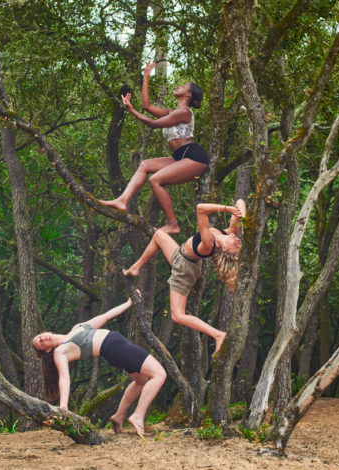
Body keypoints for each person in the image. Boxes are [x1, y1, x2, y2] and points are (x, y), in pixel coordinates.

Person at [123, 199, 246, 355]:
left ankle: (218, 334)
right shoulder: (229, 234)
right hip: (181, 254)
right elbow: (240, 201)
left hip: (184, 268)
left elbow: (201, 209)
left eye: (235, 246)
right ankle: (135, 268)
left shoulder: (210, 243)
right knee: (159, 235)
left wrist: (226, 208)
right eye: (238, 243)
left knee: (177, 315)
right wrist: (244, 219)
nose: (237, 241)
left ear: (224, 251)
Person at [33, 294, 166, 437]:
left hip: (118, 347)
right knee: (159, 374)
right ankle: (138, 416)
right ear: (47, 349)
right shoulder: (60, 351)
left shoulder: (76, 328)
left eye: (40, 336)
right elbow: (64, 377)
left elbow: (106, 316)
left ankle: (118, 416)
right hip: (115, 349)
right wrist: (63, 405)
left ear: (46, 332)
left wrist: (129, 302)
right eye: (41, 343)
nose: (42, 339)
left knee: (140, 381)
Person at [101, 62, 208, 234]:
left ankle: (173, 224)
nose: (178, 86)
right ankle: (122, 200)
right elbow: (148, 107)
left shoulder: (184, 112)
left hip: (194, 158)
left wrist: (130, 109)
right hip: (181, 157)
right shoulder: (171, 112)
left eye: (182, 86)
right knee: (145, 165)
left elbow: (152, 124)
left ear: (187, 94)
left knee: (155, 179)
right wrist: (146, 77)